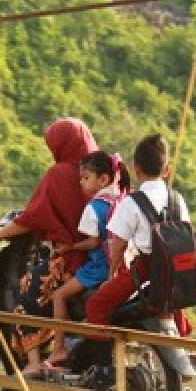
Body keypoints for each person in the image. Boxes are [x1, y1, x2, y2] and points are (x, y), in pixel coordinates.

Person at [0, 117, 98, 375]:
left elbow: (32, 217)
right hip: (104, 257)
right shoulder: (103, 171)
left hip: (71, 260)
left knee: (27, 292)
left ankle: (35, 363)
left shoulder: (60, 174)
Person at [85, 133, 192, 334]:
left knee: (96, 306)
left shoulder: (132, 202)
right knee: (177, 317)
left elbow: (118, 246)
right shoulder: (178, 200)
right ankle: (182, 339)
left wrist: (110, 277)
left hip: (145, 270)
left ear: (136, 169)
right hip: (175, 276)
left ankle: (106, 358)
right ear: (167, 170)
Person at [46, 151, 130, 369]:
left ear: (103, 179)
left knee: (58, 296)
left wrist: (71, 247)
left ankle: (58, 349)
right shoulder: (121, 200)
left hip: (98, 268)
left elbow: (93, 242)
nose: (81, 183)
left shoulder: (92, 208)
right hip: (121, 267)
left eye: (85, 178)